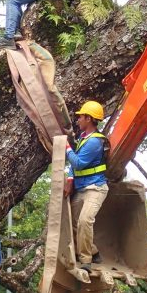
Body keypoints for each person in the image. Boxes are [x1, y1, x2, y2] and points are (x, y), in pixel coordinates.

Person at [64, 101, 109, 269]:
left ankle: (86, 261)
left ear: (89, 119)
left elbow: (78, 163)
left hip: (95, 189)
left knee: (84, 221)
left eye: (80, 117)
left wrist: (67, 147)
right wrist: (70, 179)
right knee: (74, 223)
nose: (78, 120)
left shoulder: (94, 142)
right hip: (82, 188)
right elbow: (74, 169)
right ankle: (94, 251)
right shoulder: (84, 139)